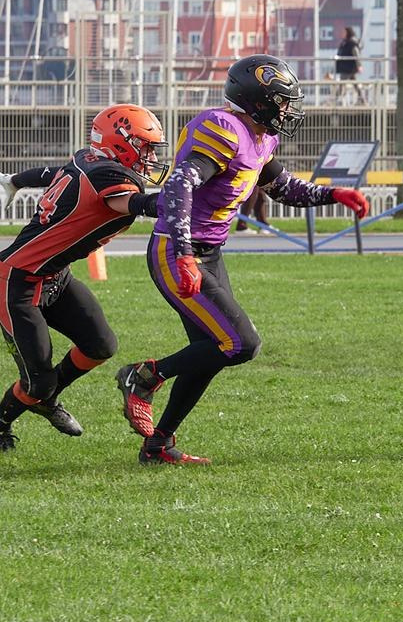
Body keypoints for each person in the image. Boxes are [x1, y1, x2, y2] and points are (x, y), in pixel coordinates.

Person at [114, 55, 371, 465]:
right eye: (281, 101)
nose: (287, 110)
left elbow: (283, 188)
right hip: (176, 250)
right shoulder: (224, 128)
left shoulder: (261, 137)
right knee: (240, 343)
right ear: (258, 101)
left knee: (211, 350)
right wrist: (184, 254)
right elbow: (179, 185)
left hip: (209, 253)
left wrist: (333, 194)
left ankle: (158, 445)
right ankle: (144, 375)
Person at [0, 104, 170, 453]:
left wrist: (15, 181)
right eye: (146, 147)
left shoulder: (88, 160)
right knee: (37, 381)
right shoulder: (109, 177)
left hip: (54, 276)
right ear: (120, 142)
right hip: (16, 281)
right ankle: (3, 421)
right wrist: (177, 201)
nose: (151, 156)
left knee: (100, 345)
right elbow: (131, 203)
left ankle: (48, 399)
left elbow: (52, 173)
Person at [335, 26, 365, 106]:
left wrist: (359, 65)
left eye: (344, 32)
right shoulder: (345, 42)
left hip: (348, 67)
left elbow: (356, 55)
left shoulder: (351, 43)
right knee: (355, 83)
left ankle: (336, 99)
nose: (342, 33)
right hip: (346, 66)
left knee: (342, 83)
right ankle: (362, 99)